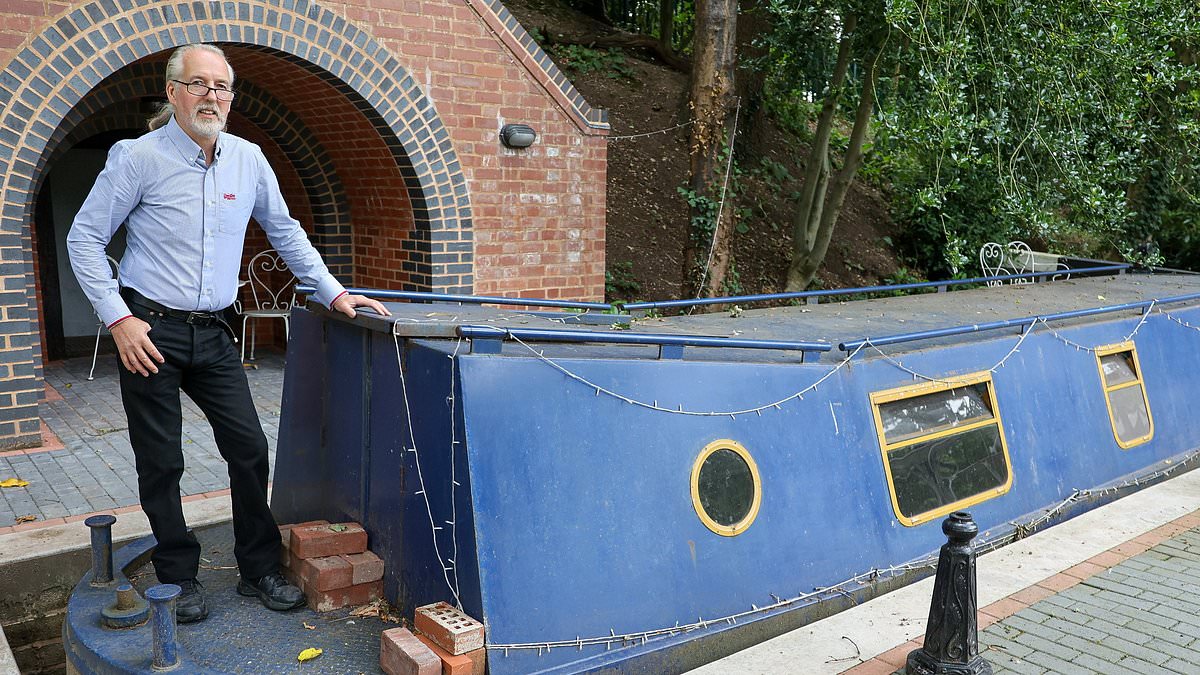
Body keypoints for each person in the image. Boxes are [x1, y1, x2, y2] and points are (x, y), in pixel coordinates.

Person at [67, 43, 390, 623]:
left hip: (216, 331)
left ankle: (258, 568)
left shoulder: (249, 158)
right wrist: (118, 319)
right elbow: (84, 239)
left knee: (248, 447)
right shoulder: (135, 158)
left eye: (221, 86)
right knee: (161, 461)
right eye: (198, 84)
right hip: (149, 330)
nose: (211, 96)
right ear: (173, 92)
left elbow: (285, 232)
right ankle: (178, 576)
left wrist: (335, 293)